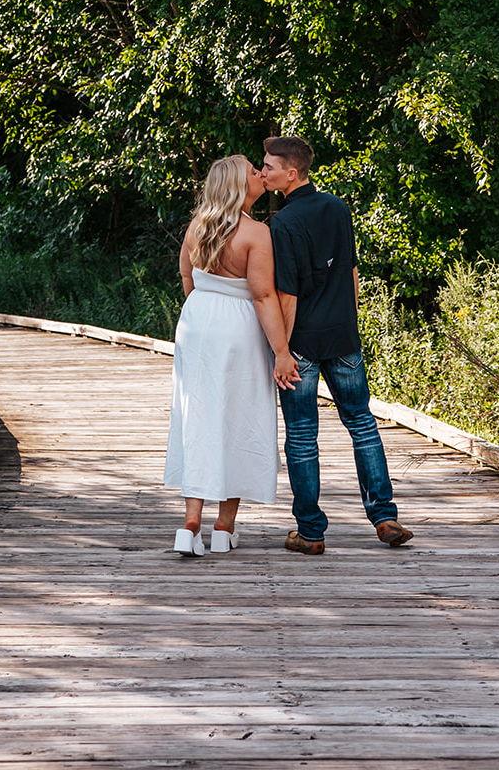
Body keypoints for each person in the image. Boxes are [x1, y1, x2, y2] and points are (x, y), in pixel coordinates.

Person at [262, 135, 414, 555]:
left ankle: (311, 532)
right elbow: (351, 272)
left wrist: (282, 351)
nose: (264, 173)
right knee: (361, 423)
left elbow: (287, 293)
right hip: (343, 334)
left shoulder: (282, 223)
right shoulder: (338, 208)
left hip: (303, 342)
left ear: (291, 173)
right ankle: (384, 516)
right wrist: (350, 320)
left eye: (270, 167)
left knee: (302, 435)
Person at [163, 154, 301, 556]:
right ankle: (223, 528)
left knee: (198, 417)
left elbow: (187, 276)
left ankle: (190, 525)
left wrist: (204, 306)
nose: (260, 175)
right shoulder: (256, 233)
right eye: (253, 172)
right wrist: (281, 351)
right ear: (240, 186)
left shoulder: (197, 226)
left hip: (196, 321)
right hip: (238, 327)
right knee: (238, 418)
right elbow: (262, 295)